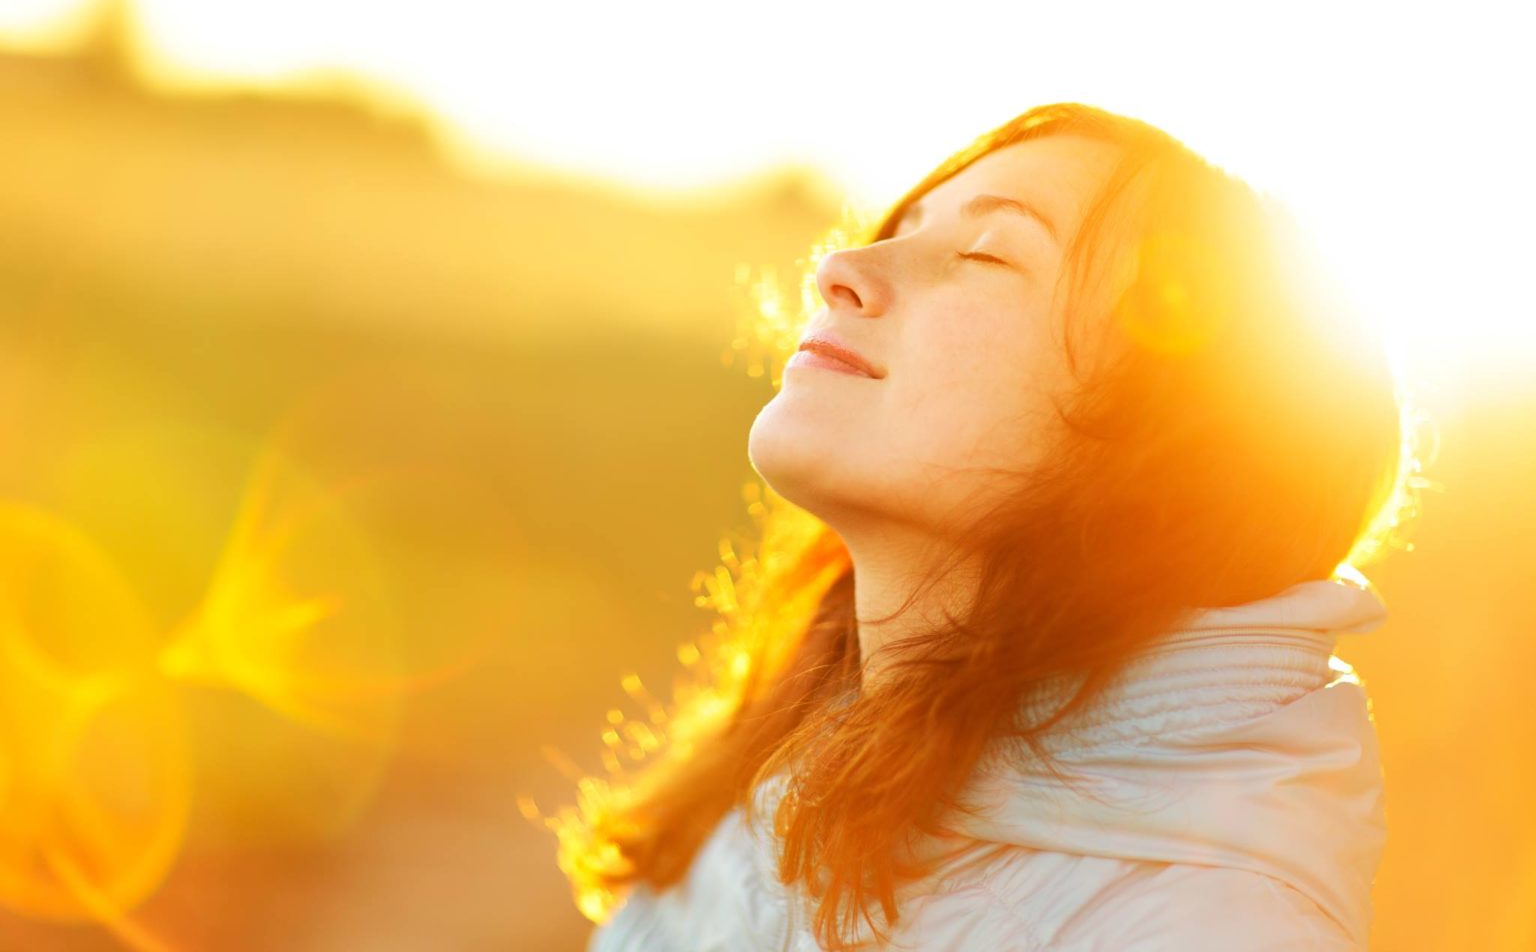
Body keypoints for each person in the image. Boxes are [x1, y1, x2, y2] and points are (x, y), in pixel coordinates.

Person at [557, 102, 1419, 950]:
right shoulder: (802, 758)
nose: (842, 265)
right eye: (905, 224)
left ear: (1164, 444)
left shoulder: (1210, 929)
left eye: (985, 252)